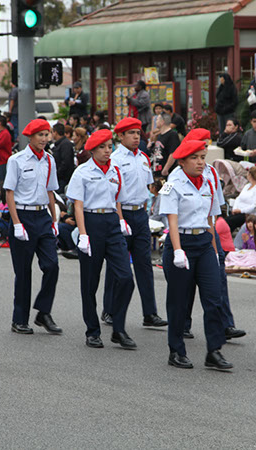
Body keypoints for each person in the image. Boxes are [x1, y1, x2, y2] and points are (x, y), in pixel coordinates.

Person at [159, 139, 234, 370]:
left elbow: (211, 220)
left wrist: (214, 249)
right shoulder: (174, 183)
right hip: (181, 241)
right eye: (195, 158)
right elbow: (171, 220)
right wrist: (178, 249)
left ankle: (214, 350)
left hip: (203, 243)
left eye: (203, 157)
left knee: (214, 298)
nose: (201, 162)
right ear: (182, 161)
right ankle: (176, 350)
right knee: (179, 302)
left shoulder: (209, 182)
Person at [66, 128, 136, 349]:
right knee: (90, 282)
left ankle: (119, 328)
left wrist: (121, 219)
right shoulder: (82, 172)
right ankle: (92, 331)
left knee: (125, 278)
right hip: (91, 222)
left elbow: (117, 199)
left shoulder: (115, 170)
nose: (108, 151)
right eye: (103, 148)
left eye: (109, 147)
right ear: (93, 150)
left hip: (112, 224)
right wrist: (83, 233)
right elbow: (78, 205)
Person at [100, 118, 167, 327]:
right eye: (131, 133)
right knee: (117, 265)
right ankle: (109, 309)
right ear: (120, 136)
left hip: (140, 215)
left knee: (144, 264)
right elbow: (113, 191)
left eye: (138, 132)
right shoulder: (115, 159)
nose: (137, 137)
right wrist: (119, 219)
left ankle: (150, 313)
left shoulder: (143, 158)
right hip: (122, 214)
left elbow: (148, 187)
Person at [4, 119, 62, 335]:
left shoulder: (49, 160)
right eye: (41, 135)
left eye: (47, 135)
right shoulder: (16, 160)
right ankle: (19, 319)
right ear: (31, 137)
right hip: (23, 216)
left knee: (52, 265)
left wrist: (54, 219)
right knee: (23, 272)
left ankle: (43, 312)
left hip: (42, 216)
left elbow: (50, 191)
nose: (45, 139)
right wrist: (17, 223)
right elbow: (9, 192)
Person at [223, 166, 256, 232]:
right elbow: (238, 198)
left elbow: (255, 206)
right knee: (223, 222)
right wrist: (235, 209)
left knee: (228, 223)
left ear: (251, 175)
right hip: (238, 212)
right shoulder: (248, 185)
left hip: (249, 214)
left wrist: (241, 210)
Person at [50, 123, 75, 194]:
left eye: (52, 132)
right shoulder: (59, 144)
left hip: (63, 179)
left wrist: (57, 174)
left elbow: (66, 162)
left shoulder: (65, 144)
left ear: (55, 132)